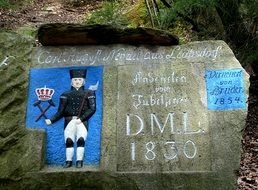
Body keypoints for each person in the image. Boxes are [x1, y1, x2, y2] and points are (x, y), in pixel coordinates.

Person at [45, 69, 96, 168]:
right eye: (75, 79)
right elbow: (61, 111)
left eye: (80, 80)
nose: (77, 82)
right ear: (72, 81)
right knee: (69, 141)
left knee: (81, 140)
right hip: (69, 121)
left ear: (83, 81)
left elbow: (92, 109)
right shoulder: (65, 94)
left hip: (82, 122)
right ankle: (68, 161)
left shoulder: (89, 93)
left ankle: (79, 161)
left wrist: (81, 119)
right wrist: (51, 120)